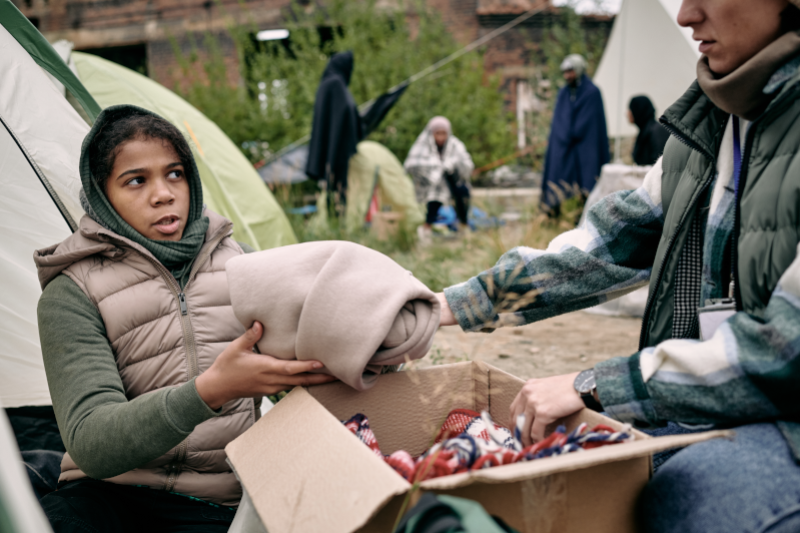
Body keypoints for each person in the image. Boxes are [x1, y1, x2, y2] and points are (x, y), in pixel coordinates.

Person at [436, 0, 800, 531]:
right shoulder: (711, 122)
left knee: (693, 492)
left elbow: (786, 348)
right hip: (714, 402)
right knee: (586, 465)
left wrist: (595, 384)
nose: (685, 16)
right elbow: (605, 244)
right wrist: (446, 306)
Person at [34, 105, 334, 533]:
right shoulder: (72, 291)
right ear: (102, 195)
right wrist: (210, 391)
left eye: (174, 174)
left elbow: (324, 341)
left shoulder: (242, 266)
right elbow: (92, 444)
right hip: (113, 495)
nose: (163, 193)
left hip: (219, 502)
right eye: (136, 180)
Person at [540, 54, 610, 217]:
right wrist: (564, 134)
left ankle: (586, 213)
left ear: (578, 70)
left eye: (570, 71)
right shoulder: (564, 93)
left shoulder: (592, 92)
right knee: (557, 170)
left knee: (588, 175)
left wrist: (577, 129)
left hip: (586, 143)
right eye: (565, 72)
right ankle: (554, 212)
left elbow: (592, 122)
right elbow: (560, 119)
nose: (567, 76)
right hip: (564, 143)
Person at [404, 116, 474, 237]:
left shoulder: (455, 145)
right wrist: (436, 168)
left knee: (463, 194)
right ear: (432, 133)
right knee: (435, 197)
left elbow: (466, 163)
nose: (441, 137)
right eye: (438, 133)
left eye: (444, 133)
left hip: (453, 179)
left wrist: (451, 165)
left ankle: (464, 225)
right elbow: (412, 164)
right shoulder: (422, 145)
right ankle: (427, 228)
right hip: (432, 182)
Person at [628, 95, 670, 166]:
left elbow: (659, 163)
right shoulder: (645, 131)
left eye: (631, 109)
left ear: (638, 110)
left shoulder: (657, 131)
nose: (627, 113)